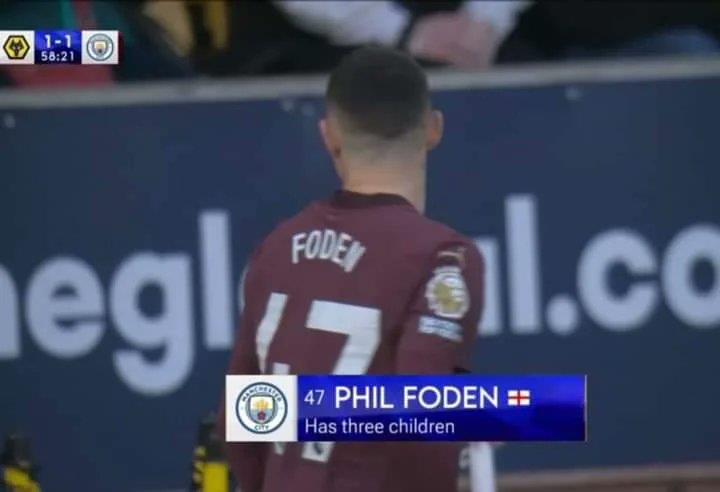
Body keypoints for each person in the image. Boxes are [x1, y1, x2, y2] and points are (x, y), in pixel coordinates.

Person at [217, 47, 485, 492]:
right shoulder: (442, 256)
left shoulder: (275, 247)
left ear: (329, 136)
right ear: (434, 128)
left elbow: (239, 419)